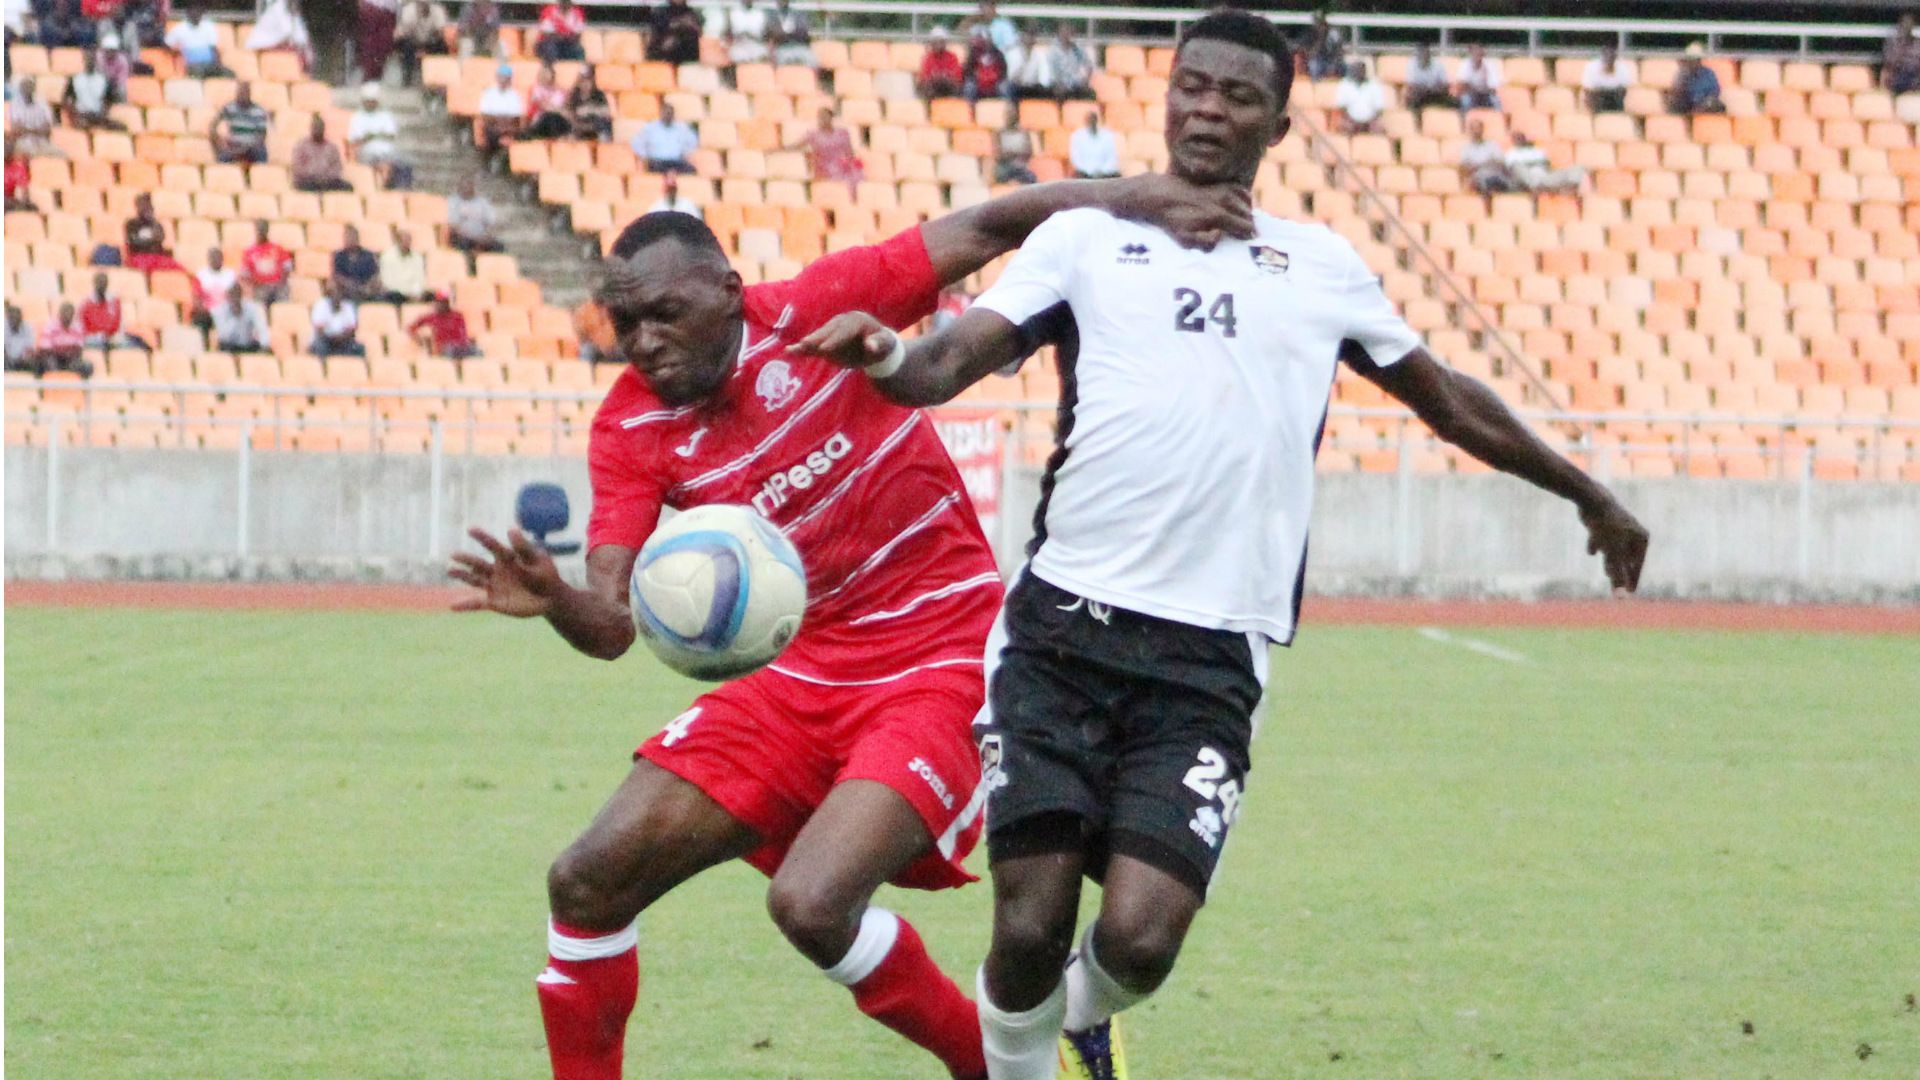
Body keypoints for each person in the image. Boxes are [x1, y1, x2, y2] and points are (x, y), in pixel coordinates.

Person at [790, 15, 1651, 1080]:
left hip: (1210, 657)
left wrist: (1586, 494)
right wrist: (887, 356)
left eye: (1237, 97)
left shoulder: (1321, 268)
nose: (1209, 109)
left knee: (1142, 941)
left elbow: (1447, 401)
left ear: (1279, 124)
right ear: (1166, 96)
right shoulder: (1084, 241)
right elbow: (949, 361)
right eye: (1192, 87)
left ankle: (1080, 1015)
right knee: (1026, 926)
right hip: (1063, 633)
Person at [445, 165, 1253, 1080]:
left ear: (728, 290)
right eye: (625, 324)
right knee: (585, 880)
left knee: (814, 903)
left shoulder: (821, 306)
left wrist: (1143, 194)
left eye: (664, 313)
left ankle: (994, 1063)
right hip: (800, 675)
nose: (644, 342)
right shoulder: (631, 427)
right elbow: (612, 621)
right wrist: (559, 604)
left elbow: (990, 222)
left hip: (943, 655)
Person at [349, 83, 407, 187]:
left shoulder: (385, 115)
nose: (370, 103)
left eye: (373, 101)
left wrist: (372, 135)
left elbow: (391, 135)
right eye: (368, 101)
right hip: (366, 153)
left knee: (405, 164)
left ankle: (401, 191)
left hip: (386, 152)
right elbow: (356, 139)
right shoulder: (357, 117)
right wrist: (376, 135)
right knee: (381, 163)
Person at [796, 104, 863, 189]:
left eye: (825, 117)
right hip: (823, 167)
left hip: (840, 165)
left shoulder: (842, 133)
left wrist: (851, 164)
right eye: (820, 117)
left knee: (856, 176)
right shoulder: (813, 134)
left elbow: (849, 152)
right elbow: (798, 145)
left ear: (831, 118)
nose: (822, 120)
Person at [79, 271, 149, 349]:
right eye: (99, 282)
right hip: (93, 339)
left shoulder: (115, 301)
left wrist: (114, 336)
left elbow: (120, 325)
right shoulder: (86, 303)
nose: (101, 284)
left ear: (107, 283)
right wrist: (98, 336)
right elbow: (82, 327)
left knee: (131, 345)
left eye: (104, 282)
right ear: (94, 283)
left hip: (113, 339)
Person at [1505, 130, 1585, 194]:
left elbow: (1547, 168)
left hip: (1543, 178)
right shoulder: (1511, 153)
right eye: (1517, 138)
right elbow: (1512, 173)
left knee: (1578, 169)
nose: (1519, 140)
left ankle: (1565, 190)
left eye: (1521, 137)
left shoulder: (1538, 152)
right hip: (1526, 181)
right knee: (1518, 167)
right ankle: (1539, 187)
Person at [212, 81, 271, 165]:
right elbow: (213, 125)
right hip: (234, 144)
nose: (241, 95)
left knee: (261, 154)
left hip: (251, 145)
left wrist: (249, 145)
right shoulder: (230, 108)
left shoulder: (258, 111)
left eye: (244, 93)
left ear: (249, 94)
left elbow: (262, 135)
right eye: (239, 93)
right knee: (223, 158)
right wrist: (220, 141)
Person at [393, 0, 449, 87]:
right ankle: (407, 76)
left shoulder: (438, 11)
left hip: (430, 41)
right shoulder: (408, 10)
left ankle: (439, 77)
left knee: (442, 46)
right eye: (421, 3)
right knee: (406, 45)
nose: (424, 5)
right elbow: (404, 31)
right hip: (412, 39)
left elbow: (440, 32)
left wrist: (430, 42)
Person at [246, 0, 314, 72]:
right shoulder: (277, 10)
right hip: (265, 46)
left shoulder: (294, 15)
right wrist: (301, 45)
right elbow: (287, 33)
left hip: (279, 44)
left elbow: (301, 36)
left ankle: (303, 72)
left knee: (305, 48)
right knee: (298, 50)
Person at [63, 50, 123, 130]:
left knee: (120, 127)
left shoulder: (103, 80)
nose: (90, 61)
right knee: (83, 125)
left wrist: (103, 113)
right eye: (88, 59)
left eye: (92, 59)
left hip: (97, 115)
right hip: (81, 115)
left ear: (96, 61)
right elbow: (66, 99)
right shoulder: (75, 79)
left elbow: (109, 100)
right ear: (84, 60)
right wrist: (74, 114)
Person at [123, 193, 183, 273]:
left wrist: (145, 239)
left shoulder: (156, 224)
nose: (145, 208)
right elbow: (133, 242)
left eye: (148, 205)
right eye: (142, 205)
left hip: (156, 257)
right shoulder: (131, 224)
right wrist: (150, 239)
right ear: (137, 207)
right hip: (139, 257)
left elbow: (160, 238)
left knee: (179, 270)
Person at [165, 3, 230, 77]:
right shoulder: (179, 29)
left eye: (198, 11)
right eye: (193, 10)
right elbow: (167, 45)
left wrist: (218, 64)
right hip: (192, 65)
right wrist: (179, 52)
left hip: (209, 64)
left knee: (228, 73)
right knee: (198, 73)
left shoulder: (209, 26)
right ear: (188, 12)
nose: (196, 13)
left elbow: (214, 49)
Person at [408, 291, 478, 358]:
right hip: (445, 348)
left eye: (445, 302)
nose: (443, 304)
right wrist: (419, 340)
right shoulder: (431, 317)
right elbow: (411, 328)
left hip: (461, 346)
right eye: (440, 302)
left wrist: (465, 343)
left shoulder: (457, 315)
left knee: (478, 352)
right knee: (452, 350)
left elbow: (463, 333)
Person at [446, 176, 505, 255]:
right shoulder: (453, 202)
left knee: (498, 246)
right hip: (461, 237)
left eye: (468, 186)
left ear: (473, 187)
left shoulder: (482, 203)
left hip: (481, 237)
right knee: (463, 244)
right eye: (463, 186)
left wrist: (488, 236)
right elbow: (453, 226)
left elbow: (492, 222)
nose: (465, 189)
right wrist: (474, 238)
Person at [31, 303, 94, 377]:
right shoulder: (50, 326)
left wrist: (63, 350)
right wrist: (64, 351)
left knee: (87, 366)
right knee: (44, 363)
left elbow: (79, 349)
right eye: (65, 313)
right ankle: (53, 385)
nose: (67, 316)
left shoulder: (78, 327)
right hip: (54, 359)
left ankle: (81, 388)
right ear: (59, 314)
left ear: (73, 315)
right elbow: (45, 349)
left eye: (70, 314)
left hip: (71, 360)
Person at [292, 115, 352, 192]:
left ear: (324, 129)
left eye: (320, 127)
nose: (318, 129)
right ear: (311, 128)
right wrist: (315, 176)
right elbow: (297, 167)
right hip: (308, 181)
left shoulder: (332, 147)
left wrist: (326, 177)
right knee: (305, 186)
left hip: (328, 181)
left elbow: (337, 167)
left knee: (348, 187)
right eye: (315, 127)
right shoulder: (301, 146)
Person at [634, 101, 698, 174]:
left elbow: (692, 142)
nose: (668, 115)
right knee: (655, 169)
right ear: (661, 113)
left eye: (670, 113)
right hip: (657, 162)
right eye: (666, 113)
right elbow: (637, 143)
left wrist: (686, 154)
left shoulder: (682, 128)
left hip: (676, 161)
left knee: (691, 170)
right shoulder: (651, 128)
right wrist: (645, 157)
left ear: (673, 114)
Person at [241, 220, 294, 304]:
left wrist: (281, 282)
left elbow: (287, 266)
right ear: (255, 230)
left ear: (267, 230)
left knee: (283, 293)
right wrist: (257, 283)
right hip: (260, 287)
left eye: (263, 229)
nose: (261, 231)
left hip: (277, 285)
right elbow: (245, 274)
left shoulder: (277, 248)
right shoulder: (249, 252)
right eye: (259, 229)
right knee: (260, 301)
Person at [310, 280, 364, 358]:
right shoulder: (321, 305)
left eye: (340, 293)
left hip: (343, 340)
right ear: (329, 294)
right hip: (325, 340)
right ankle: (325, 369)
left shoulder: (348, 306)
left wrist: (341, 338)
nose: (337, 296)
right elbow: (320, 330)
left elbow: (351, 331)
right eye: (334, 293)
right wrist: (334, 339)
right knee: (320, 347)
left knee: (358, 348)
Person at [6, 78, 60, 157]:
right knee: (33, 155)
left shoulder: (42, 103)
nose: (28, 90)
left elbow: (47, 130)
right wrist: (37, 130)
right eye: (25, 88)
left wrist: (27, 130)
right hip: (24, 143)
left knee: (61, 155)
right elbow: (17, 130)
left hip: (43, 143)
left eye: (30, 87)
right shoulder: (15, 105)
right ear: (21, 90)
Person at [478, 64, 523, 156]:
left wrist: (505, 125)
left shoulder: (515, 95)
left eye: (506, 78)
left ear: (510, 79)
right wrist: (499, 122)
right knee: (489, 130)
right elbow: (485, 114)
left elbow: (515, 116)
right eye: (501, 77)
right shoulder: (489, 93)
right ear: (497, 78)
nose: (503, 80)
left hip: (509, 128)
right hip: (494, 126)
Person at [1459, 118, 1513, 195]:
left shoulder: (1492, 145)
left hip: (1495, 173)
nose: (1476, 131)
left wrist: (1478, 165)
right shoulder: (1466, 149)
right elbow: (1465, 168)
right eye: (1474, 128)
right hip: (1479, 176)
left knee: (1510, 182)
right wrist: (1486, 163)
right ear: (1470, 131)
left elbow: (1500, 162)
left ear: (1482, 129)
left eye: (1478, 128)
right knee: (1484, 181)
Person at [1668, 42, 1725, 115]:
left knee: (1718, 105)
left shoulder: (1708, 73)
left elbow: (1715, 92)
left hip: (1704, 103)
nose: (1693, 62)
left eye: (1696, 59)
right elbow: (1677, 92)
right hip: (1687, 104)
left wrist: (1706, 102)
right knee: (1675, 103)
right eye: (1691, 59)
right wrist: (1685, 78)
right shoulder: (1682, 73)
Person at [190, 246, 237, 333]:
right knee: (199, 319)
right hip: (208, 313)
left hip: (227, 312)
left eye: (218, 257)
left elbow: (235, 297)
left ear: (222, 258)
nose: (216, 259)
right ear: (208, 259)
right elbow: (197, 298)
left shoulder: (230, 275)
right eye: (213, 257)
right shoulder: (201, 275)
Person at [331, 224, 382, 303]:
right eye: (346, 237)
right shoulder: (339, 256)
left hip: (365, 289)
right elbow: (337, 275)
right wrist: (350, 285)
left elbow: (374, 275)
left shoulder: (368, 256)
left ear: (357, 239)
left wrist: (366, 287)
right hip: (346, 290)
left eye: (351, 237)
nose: (348, 240)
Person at [211, 286, 270, 352]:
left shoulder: (253, 308)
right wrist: (236, 316)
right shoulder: (218, 311)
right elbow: (224, 336)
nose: (235, 298)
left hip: (248, 346)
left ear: (241, 294)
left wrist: (264, 346)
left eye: (237, 294)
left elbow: (262, 329)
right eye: (232, 294)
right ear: (227, 295)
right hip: (228, 347)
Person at [1334, 59, 1386, 134]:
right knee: (1343, 127)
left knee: (1379, 128)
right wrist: (1351, 121)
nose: (1357, 72)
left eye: (1360, 70)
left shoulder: (1374, 85)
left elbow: (1379, 109)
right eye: (1355, 70)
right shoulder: (1344, 84)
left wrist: (1370, 121)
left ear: (1364, 71)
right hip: (1350, 121)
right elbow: (1342, 108)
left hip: (1371, 121)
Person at [379, 228, 429, 304]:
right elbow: (387, 281)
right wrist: (405, 294)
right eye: (404, 241)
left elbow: (419, 278)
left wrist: (415, 293)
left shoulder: (417, 257)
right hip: (396, 294)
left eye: (409, 240)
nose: (407, 243)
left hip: (414, 294)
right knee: (393, 295)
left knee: (431, 295)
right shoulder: (387, 257)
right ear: (398, 241)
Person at [1047, 23, 1095, 100]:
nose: (1067, 35)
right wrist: (1059, 84)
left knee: (1091, 93)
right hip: (1060, 84)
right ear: (1059, 34)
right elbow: (1052, 72)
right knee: (1059, 93)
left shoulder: (1077, 50)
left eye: (1069, 32)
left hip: (1075, 84)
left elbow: (1089, 65)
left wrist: (1086, 80)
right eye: (1064, 32)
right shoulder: (1053, 51)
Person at [524, 63, 572, 140]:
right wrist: (557, 110)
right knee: (549, 117)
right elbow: (542, 105)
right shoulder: (535, 89)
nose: (544, 76)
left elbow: (566, 109)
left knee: (554, 118)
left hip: (558, 120)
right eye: (542, 73)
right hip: (540, 121)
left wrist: (558, 110)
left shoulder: (561, 91)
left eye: (546, 73)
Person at [645, 0, 701, 65]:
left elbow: (700, 38)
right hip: (663, 61)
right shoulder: (659, 13)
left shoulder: (693, 14)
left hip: (688, 62)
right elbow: (652, 45)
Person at [1068, 108, 1119, 179]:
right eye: (1089, 120)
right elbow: (1076, 159)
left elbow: (1112, 157)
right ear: (1085, 121)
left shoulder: (1108, 135)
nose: (1091, 122)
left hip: (1105, 173)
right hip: (1085, 173)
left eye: (1093, 119)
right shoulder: (1077, 136)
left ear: (1097, 120)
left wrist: (1102, 171)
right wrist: (1090, 172)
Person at [1581, 44, 1634, 113]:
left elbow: (1624, 92)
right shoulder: (1591, 67)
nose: (1609, 57)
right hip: (1596, 100)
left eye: (1612, 54)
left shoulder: (1623, 68)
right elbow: (1587, 91)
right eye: (1606, 54)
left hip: (1615, 100)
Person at [1403, 43, 1456, 111]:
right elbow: (1412, 86)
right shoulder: (1411, 64)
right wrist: (1428, 88)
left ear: (1429, 52)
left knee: (1454, 102)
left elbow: (1444, 85)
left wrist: (1428, 88)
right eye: (1420, 51)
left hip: (1436, 95)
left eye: (1425, 51)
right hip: (1420, 96)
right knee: (1411, 100)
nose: (1423, 54)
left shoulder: (1438, 64)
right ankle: (1416, 121)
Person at [963, 25, 1007, 105]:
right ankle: (969, 112)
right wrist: (976, 76)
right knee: (969, 87)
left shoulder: (998, 53)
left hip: (995, 82)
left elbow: (1003, 71)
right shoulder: (974, 53)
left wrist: (995, 77)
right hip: (977, 82)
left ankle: (1005, 111)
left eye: (988, 38)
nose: (986, 41)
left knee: (1004, 87)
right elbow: (967, 71)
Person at [566, 64, 612, 141]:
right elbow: (569, 112)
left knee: (604, 131)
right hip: (579, 127)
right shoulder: (574, 95)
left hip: (596, 127)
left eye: (588, 80)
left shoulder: (599, 94)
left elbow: (606, 112)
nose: (585, 84)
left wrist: (591, 110)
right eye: (583, 80)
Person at [1004, 27, 1050, 103]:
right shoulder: (1013, 53)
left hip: (1033, 86)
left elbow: (1044, 75)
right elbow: (1011, 76)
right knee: (1011, 88)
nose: (1030, 39)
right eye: (1028, 36)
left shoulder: (1039, 54)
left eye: (1033, 36)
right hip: (1018, 86)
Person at [357, 0, 399, 84]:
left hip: (388, 10)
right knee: (371, 44)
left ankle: (375, 75)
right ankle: (369, 76)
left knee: (385, 44)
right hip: (372, 7)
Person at [919, 26, 964, 99]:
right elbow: (923, 78)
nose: (938, 44)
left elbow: (958, 77)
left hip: (948, 88)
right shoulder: (928, 58)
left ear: (945, 43)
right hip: (933, 89)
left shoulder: (952, 57)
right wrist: (935, 78)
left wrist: (945, 78)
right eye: (935, 42)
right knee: (927, 87)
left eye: (940, 42)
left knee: (956, 87)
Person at [1455, 42, 1502, 111]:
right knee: (1465, 100)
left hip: (1486, 95)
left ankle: (1499, 119)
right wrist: (1473, 88)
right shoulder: (1464, 64)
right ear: (1470, 51)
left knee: (1496, 100)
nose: (1478, 52)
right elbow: (1461, 85)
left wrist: (1483, 85)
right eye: (1475, 49)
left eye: (1480, 49)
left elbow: (1493, 88)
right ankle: (1464, 120)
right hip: (1470, 94)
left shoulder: (1491, 65)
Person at [768, 0, 814, 67]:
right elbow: (773, 34)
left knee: (813, 60)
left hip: (798, 46)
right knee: (780, 60)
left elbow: (803, 32)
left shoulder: (797, 14)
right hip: (782, 48)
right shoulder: (773, 16)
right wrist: (788, 34)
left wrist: (788, 34)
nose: (783, 2)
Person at [722, 0, 769, 64]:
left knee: (763, 54)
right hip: (739, 45)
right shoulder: (734, 13)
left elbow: (765, 35)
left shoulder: (760, 14)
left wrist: (751, 35)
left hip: (756, 44)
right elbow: (728, 34)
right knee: (735, 55)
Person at [994, 113, 1036, 184]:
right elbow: (998, 154)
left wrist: (1019, 157)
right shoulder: (999, 133)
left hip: (1020, 165)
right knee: (1000, 175)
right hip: (1005, 166)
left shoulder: (1024, 133)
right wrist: (1008, 155)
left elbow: (1029, 152)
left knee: (1031, 178)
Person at [1884, 14, 1919, 93]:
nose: (1907, 26)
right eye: (1905, 23)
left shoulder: (1918, 43)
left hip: (1915, 78)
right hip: (1896, 77)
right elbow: (1890, 61)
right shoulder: (1892, 43)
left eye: (1910, 24)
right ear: (1900, 25)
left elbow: (1917, 63)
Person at [1304, 10, 1343, 80]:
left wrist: (1335, 63)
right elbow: (1311, 55)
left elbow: (1339, 50)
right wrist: (1321, 39)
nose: (1320, 25)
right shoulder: (1310, 34)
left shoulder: (1333, 33)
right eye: (1317, 22)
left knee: (1345, 67)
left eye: (1321, 22)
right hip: (1318, 60)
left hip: (1332, 60)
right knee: (1314, 66)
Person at [4, 306, 37, 372]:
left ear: (21, 318)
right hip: (6, 359)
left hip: (23, 359)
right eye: (11, 317)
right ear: (7, 317)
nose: (14, 320)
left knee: (33, 360)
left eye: (16, 317)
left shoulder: (28, 327)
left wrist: (23, 357)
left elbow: (30, 347)